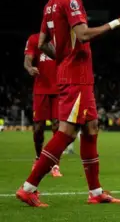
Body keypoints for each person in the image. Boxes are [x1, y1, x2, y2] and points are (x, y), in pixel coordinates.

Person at [16, 0, 120, 207]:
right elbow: (82, 35)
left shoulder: (50, 2)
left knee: (91, 130)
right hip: (76, 77)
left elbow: (42, 42)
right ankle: (28, 187)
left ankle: (96, 192)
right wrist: (116, 23)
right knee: (67, 133)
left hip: (76, 75)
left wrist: (60, 57)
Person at [24, 33, 63, 177]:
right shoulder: (34, 39)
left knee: (57, 126)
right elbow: (27, 59)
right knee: (38, 128)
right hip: (41, 89)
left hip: (59, 88)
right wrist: (29, 68)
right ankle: (38, 158)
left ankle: (55, 164)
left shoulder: (61, 38)